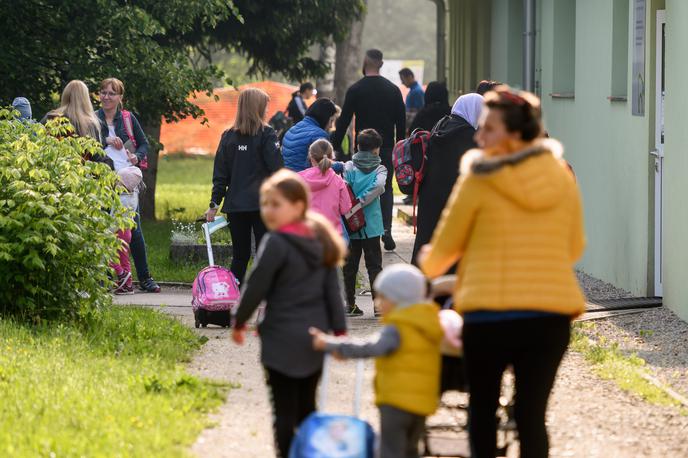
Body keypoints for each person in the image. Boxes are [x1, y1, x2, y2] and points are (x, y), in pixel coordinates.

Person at [419, 85, 586, 458]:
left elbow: (444, 248)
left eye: (488, 128)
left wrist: (427, 268)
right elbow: (574, 246)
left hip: (489, 313)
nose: (479, 136)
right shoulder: (561, 176)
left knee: (482, 410)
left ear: (514, 133)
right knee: (531, 416)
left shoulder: (479, 176)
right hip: (550, 315)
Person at [231, 169, 347, 458]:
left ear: (298, 206)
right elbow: (334, 291)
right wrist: (340, 332)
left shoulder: (277, 243)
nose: (268, 210)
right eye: (265, 203)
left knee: (283, 408)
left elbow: (256, 285)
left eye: (276, 204)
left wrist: (239, 320)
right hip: (315, 339)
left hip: (279, 339)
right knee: (307, 405)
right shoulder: (322, 239)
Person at [311, 263, 443, 458]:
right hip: (422, 403)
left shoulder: (398, 327)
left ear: (398, 299)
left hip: (396, 402)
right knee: (411, 450)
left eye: (382, 297)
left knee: (390, 451)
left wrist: (332, 345)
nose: (378, 302)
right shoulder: (429, 322)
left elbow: (370, 347)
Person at [331, 49, 406, 252]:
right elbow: (401, 123)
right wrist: (400, 149)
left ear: (365, 63)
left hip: (362, 148)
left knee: (358, 188)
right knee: (386, 188)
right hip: (386, 148)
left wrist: (333, 146)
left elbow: (344, 120)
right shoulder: (393, 90)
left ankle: (358, 226)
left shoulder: (356, 89)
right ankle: (387, 230)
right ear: (381, 64)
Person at [207, 87, 283, 284]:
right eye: (265, 106)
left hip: (236, 205)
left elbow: (220, 175)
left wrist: (214, 204)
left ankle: (234, 299)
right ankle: (264, 299)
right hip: (262, 205)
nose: (267, 110)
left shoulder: (228, 136)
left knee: (239, 256)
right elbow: (277, 170)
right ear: (257, 108)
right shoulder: (267, 134)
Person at [96, 77, 161, 293]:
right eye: (103, 92)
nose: (106, 97)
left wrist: (136, 156)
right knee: (105, 228)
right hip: (103, 180)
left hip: (127, 183)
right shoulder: (93, 119)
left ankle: (145, 277)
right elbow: (86, 143)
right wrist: (105, 141)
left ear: (120, 97)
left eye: (111, 93)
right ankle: (108, 278)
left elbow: (143, 144)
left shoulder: (127, 118)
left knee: (134, 229)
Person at [411, 93, 483, 266]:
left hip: (430, 197)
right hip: (453, 200)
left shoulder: (441, 125)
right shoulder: (468, 136)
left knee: (427, 241)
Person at [342, 129, 387, 317]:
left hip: (351, 225)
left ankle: (350, 305)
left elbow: (344, 187)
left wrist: (354, 205)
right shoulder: (380, 169)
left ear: (357, 146)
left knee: (349, 266)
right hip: (372, 226)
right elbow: (379, 186)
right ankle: (378, 307)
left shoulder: (349, 166)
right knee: (374, 265)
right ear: (376, 149)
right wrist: (362, 201)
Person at [298, 139, 351, 236]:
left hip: (307, 233)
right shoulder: (338, 180)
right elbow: (345, 209)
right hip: (333, 234)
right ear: (331, 157)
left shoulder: (299, 178)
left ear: (311, 157)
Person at [281, 98, 337, 172]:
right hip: (305, 181)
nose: (330, 126)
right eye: (331, 121)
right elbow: (324, 165)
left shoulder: (291, 130)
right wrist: (342, 166)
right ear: (324, 117)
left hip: (288, 178)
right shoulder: (319, 135)